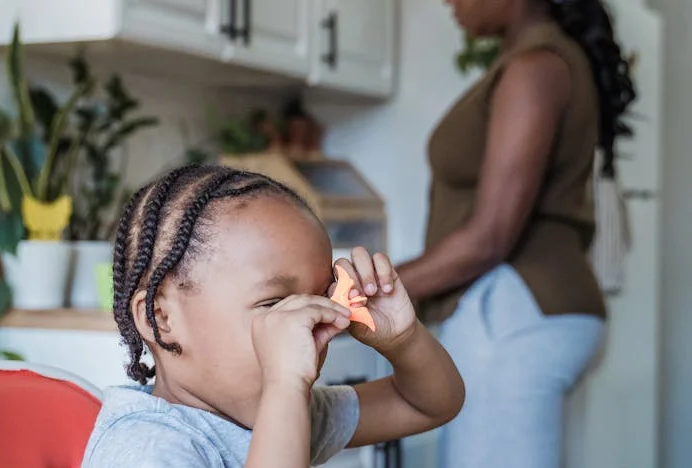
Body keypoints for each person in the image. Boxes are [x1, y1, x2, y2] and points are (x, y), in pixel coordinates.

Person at [82, 165, 465, 467]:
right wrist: (284, 388)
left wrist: (403, 340)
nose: (306, 325)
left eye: (318, 299)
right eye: (274, 304)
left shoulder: (282, 411)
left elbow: (427, 404)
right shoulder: (147, 450)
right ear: (160, 318)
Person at [396, 0, 636, 467]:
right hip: (527, 311)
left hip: (512, 314)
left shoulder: (536, 67)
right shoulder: (540, 61)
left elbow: (489, 239)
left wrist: (356, 294)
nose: (448, 1)